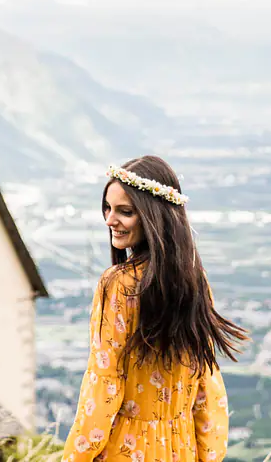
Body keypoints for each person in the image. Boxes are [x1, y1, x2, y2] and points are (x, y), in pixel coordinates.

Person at [61, 156, 249, 462]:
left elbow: (104, 382)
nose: (110, 220)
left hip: (125, 449)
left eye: (125, 212)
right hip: (182, 449)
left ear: (154, 217)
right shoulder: (194, 282)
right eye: (107, 208)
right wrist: (209, 455)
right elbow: (207, 384)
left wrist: (75, 456)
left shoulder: (118, 285)